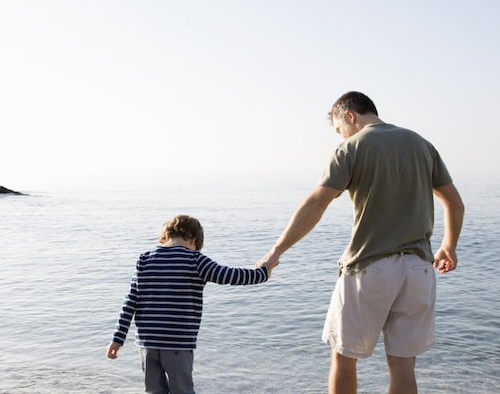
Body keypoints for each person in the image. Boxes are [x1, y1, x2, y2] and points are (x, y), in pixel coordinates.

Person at [259, 91, 465, 394]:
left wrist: (276, 251)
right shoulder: (421, 144)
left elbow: (317, 203)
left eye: (339, 130)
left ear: (350, 116)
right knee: (403, 365)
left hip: (370, 268)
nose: (340, 137)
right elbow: (455, 203)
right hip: (419, 270)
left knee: (344, 358)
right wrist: (448, 246)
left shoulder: (351, 148)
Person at [107, 214, 274, 394]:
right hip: (178, 343)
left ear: (165, 237)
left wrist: (118, 338)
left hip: (147, 344)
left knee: (153, 391)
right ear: (194, 241)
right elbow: (231, 276)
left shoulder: (144, 259)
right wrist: (264, 271)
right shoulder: (195, 260)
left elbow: (130, 301)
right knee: (182, 391)